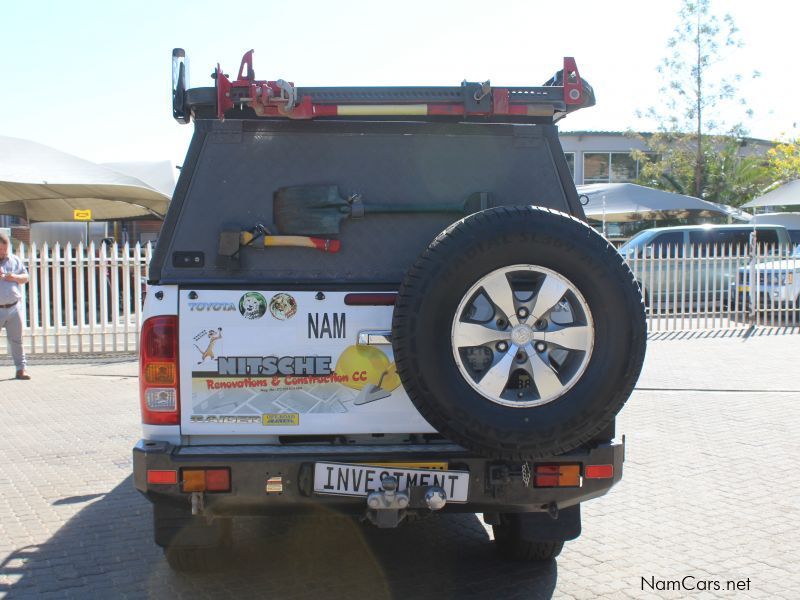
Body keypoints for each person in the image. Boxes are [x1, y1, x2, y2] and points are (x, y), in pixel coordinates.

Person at [0, 232, 30, 380]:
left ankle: (21, 369)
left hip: (13, 307)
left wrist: (14, 277)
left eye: (5, 249)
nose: (3, 253)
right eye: (0, 250)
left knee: (17, 340)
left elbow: (26, 277)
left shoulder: (14, 260)